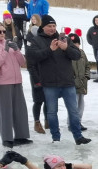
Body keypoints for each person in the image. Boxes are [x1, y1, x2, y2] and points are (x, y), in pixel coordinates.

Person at [26, 14, 90, 145]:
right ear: (43, 27)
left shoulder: (64, 39)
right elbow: (33, 57)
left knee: (73, 110)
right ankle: (56, 138)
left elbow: (77, 55)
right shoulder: (37, 40)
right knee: (51, 111)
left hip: (67, 81)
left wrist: (66, 48)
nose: (52, 28)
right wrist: (50, 50)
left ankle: (78, 136)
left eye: (54, 26)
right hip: (49, 83)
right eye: (49, 26)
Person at [0, 21, 32, 148]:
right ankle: (7, 138)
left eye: (4, 31)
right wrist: (5, 51)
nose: (3, 34)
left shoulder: (8, 43)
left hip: (16, 80)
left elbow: (22, 62)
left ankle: (21, 136)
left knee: (20, 109)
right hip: (2, 82)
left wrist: (16, 51)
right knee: (5, 110)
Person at [24, 14, 48, 134]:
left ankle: (47, 120)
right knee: (38, 100)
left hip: (46, 75)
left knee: (48, 99)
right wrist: (36, 80)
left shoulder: (42, 43)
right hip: (36, 76)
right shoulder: (31, 47)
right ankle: (37, 122)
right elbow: (31, 66)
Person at [67, 33, 88, 132]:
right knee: (73, 105)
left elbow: (87, 66)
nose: (76, 45)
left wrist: (86, 76)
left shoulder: (82, 53)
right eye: (73, 43)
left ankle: (78, 121)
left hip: (82, 83)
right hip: (72, 83)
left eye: (77, 43)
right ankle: (71, 123)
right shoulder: (68, 53)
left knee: (81, 105)